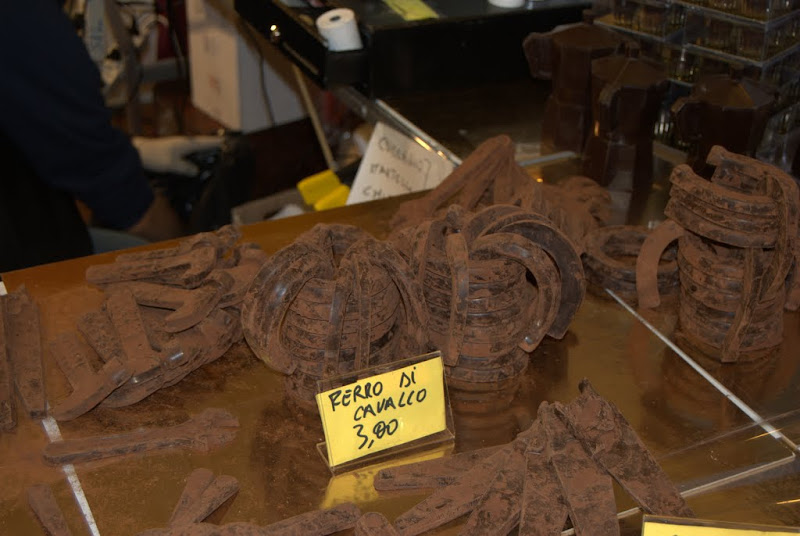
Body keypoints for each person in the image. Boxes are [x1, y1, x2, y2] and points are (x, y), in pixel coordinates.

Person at [0, 0, 220, 273]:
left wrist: (130, 150)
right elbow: (130, 207)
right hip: (14, 263)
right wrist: (200, 263)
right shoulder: (24, 19)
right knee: (142, 257)